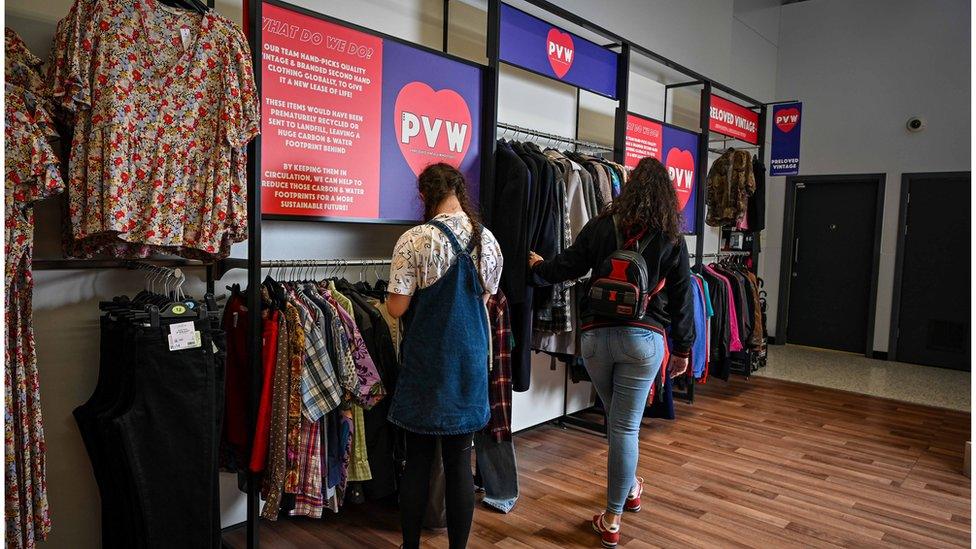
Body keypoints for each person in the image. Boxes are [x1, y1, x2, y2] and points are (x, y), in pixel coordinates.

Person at [528, 157, 695, 548]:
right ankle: (613, 516)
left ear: (630, 187)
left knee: (618, 420)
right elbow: (683, 297)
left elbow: (568, 265)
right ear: (667, 195)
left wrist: (539, 266)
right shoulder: (672, 237)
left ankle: (631, 487)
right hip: (644, 341)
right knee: (625, 426)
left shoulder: (604, 223)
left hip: (595, 339)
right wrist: (683, 349)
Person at [386, 163, 503, 549]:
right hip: (469, 363)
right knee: (459, 464)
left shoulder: (414, 240)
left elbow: (397, 309)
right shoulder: (488, 241)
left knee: (418, 462)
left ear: (425, 196)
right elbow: (483, 301)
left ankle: (409, 546)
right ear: (459, 191)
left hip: (428, 363)